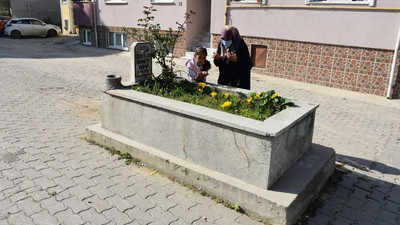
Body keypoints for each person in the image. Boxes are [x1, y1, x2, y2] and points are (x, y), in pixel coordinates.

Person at [213, 25, 252, 90]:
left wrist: (236, 61)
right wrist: (217, 59)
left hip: (238, 83)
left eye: (228, 39)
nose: (225, 41)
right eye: (223, 39)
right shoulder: (221, 44)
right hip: (224, 81)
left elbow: (248, 65)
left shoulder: (241, 45)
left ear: (233, 37)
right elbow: (218, 63)